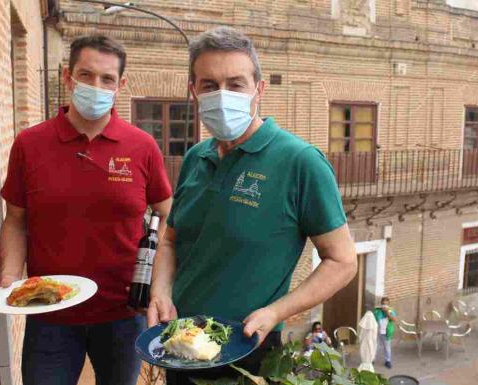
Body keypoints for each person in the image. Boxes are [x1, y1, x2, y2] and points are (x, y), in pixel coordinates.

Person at [147, 26, 357, 384]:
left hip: (248, 351)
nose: (222, 95)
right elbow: (170, 240)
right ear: (193, 91)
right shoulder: (196, 157)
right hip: (179, 341)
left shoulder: (299, 162)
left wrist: (276, 312)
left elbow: (343, 261)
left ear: (259, 90)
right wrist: (161, 291)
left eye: (236, 83)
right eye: (210, 85)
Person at [0, 35, 172, 385]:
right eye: (86, 75)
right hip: (49, 312)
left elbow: (165, 213)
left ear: (120, 84)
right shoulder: (30, 144)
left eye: (107, 79)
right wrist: (8, 277)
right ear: (68, 77)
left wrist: (153, 281)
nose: (96, 86)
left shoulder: (142, 146)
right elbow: (15, 220)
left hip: (123, 314)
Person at [373, 297, 397, 369]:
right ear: (381, 304)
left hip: (386, 332)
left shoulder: (391, 311)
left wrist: (387, 312)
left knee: (387, 347)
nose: (384, 305)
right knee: (374, 346)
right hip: (377, 331)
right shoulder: (378, 311)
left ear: (389, 304)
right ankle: (372, 359)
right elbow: (375, 318)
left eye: (386, 304)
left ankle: (388, 361)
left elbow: (394, 320)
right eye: (383, 304)